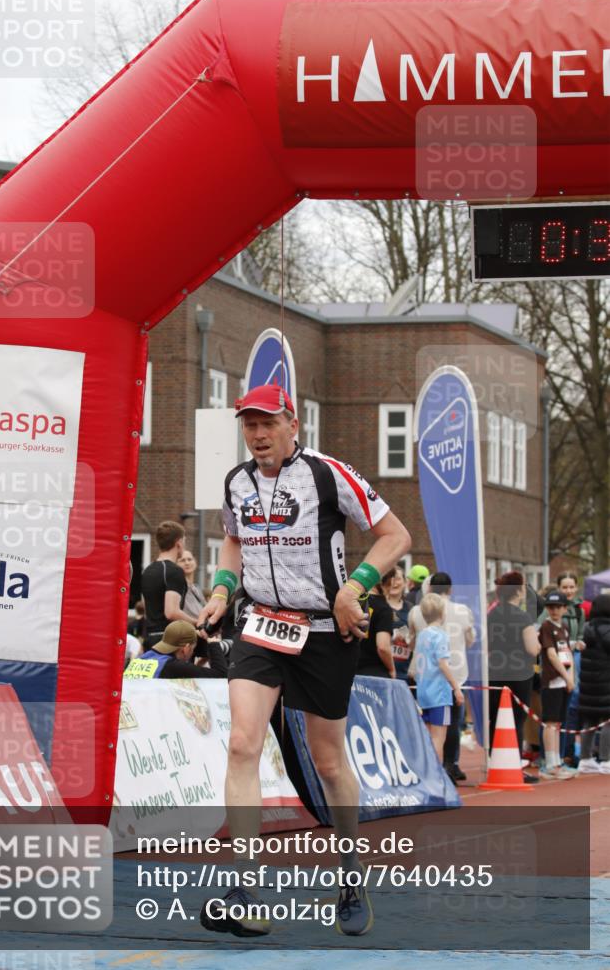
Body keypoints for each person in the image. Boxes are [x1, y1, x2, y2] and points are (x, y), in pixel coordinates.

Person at [197, 383, 411, 938]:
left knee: (329, 763)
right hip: (261, 626)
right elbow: (233, 542)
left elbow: (395, 535)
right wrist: (222, 591)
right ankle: (245, 888)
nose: (259, 435)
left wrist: (355, 587)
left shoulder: (326, 474)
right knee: (243, 742)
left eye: (268, 423)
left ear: (293, 424)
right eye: (249, 425)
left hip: (323, 632)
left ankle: (350, 876)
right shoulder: (237, 482)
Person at [409, 572, 475, 784]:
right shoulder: (452, 622)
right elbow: (446, 660)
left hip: (423, 684)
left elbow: (412, 645)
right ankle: (441, 770)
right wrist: (455, 687)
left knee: (429, 732)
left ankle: (427, 769)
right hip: (443, 685)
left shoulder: (418, 620)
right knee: (444, 731)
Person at [487, 571, 541, 783]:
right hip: (519, 673)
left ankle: (495, 761)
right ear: (517, 590)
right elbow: (532, 648)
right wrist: (537, 644)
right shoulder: (522, 616)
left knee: (496, 718)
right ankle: (514, 765)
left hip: (495, 670)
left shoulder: (492, 614)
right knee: (516, 720)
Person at [412, 593, 464, 763]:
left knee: (428, 737)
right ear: (442, 613)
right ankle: (435, 777)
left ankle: (427, 773)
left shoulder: (422, 635)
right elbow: (442, 664)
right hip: (438, 694)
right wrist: (456, 687)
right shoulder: (440, 635)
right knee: (438, 738)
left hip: (423, 691)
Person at [140, 521, 197, 649]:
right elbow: (171, 612)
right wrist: (197, 622)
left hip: (149, 638)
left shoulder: (147, 570)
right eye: (184, 541)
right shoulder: (174, 571)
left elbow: (146, 606)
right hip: (168, 640)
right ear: (179, 543)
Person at [538, 590, 576, 779]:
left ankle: (557, 762)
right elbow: (551, 655)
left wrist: (571, 677)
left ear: (564, 608)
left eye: (558, 607)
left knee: (558, 722)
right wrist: (566, 677)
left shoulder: (565, 627)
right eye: (551, 607)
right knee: (550, 722)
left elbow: (568, 653)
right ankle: (550, 764)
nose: (554, 610)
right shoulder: (546, 627)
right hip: (552, 681)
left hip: (564, 680)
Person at [556, 572, 587, 766]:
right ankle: (555, 753)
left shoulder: (579, 610)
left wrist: (580, 643)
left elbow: (581, 633)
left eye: (571, 587)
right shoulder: (551, 608)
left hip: (573, 658)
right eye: (564, 587)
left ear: (576, 588)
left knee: (572, 703)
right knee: (559, 706)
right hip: (557, 658)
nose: (568, 591)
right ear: (559, 588)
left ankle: (568, 752)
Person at [577, 594, 610, 774]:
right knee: (607, 721)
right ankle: (606, 759)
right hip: (606, 682)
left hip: (588, 683)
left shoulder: (586, 628)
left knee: (589, 721)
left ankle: (585, 758)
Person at [139, 621, 228, 679]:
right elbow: (221, 675)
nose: (193, 652)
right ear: (185, 649)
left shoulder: (143, 658)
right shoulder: (174, 667)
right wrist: (213, 644)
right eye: (193, 649)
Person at [356, 574, 396, 678]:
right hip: (375, 673)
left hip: (349, 670)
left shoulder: (353, 602)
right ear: (390, 582)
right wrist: (391, 669)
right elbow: (382, 647)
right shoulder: (383, 608)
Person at [383, 566, 412, 681]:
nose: (394, 582)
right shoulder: (379, 606)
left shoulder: (412, 609)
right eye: (391, 578)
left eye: (398, 578)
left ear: (405, 583)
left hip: (405, 674)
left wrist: (409, 638)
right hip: (383, 672)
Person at [178, 550, 207, 619]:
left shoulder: (196, 588)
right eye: (182, 560)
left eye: (189, 559)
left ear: (195, 562)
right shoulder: (178, 588)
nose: (187, 563)